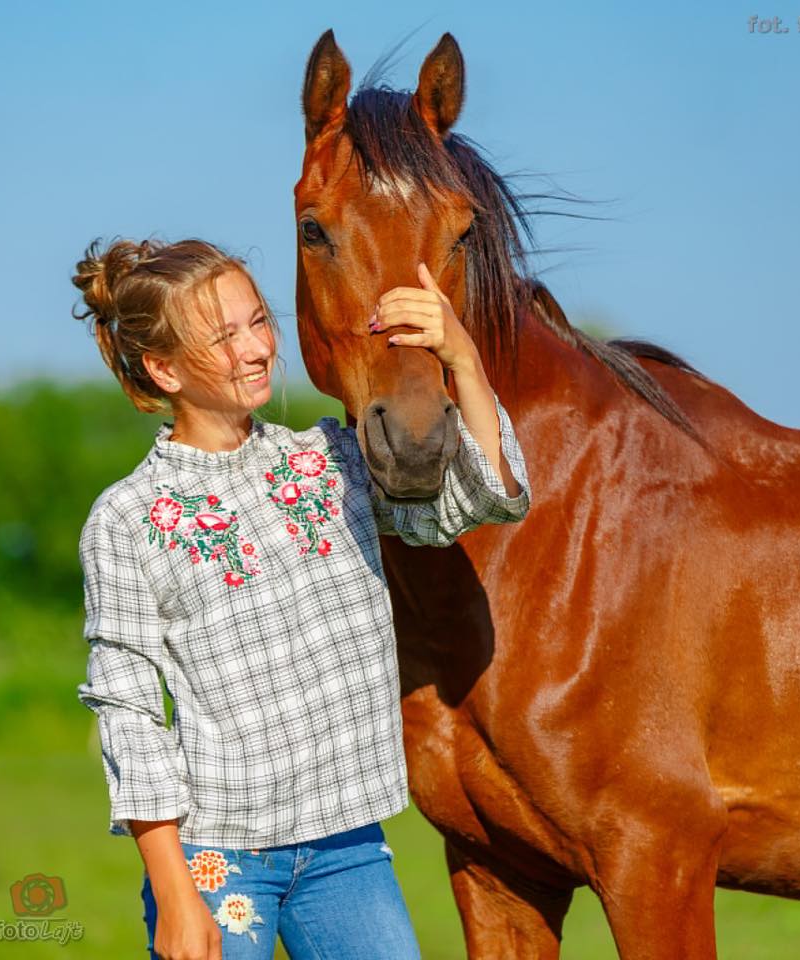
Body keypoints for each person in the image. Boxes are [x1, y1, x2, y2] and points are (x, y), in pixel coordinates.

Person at [71, 237, 531, 960]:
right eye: (223, 337)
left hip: (347, 852)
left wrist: (462, 360)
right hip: (217, 863)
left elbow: (473, 505)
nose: (255, 348)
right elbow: (128, 715)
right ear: (162, 369)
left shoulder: (329, 460)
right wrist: (176, 894)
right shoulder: (128, 518)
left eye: (258, 321)